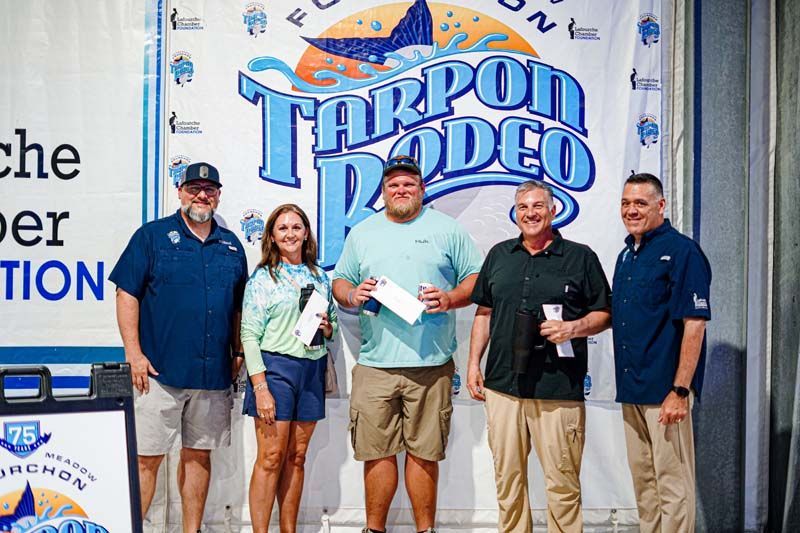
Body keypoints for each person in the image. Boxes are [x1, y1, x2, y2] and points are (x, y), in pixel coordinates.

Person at [332, 155, 482, 533]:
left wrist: (449, 298)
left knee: (424, 453)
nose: (400, 190)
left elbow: (476, 280)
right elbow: (340, 282)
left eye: (408, 184)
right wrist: (353, 295)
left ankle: (425, 529)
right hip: (375, 363)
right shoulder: (362, 232)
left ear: (421, 189)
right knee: (376, 453)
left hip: (431, 365)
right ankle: (374, 529)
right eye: (393, 185)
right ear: (383, 192)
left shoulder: (448, 230)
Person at [466, 180, 611, 533]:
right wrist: (472, 363)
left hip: (558, 389)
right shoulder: (499, 255)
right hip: (503, 387)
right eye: (523, 208)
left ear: (553, 209)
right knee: (508, 483)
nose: (530, 213)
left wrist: (572, 329)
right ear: (515, 214)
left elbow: (605, 314)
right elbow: (484, 312)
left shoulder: (581, 257)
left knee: (562, 485)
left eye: (537, 206)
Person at [109, 162, 247, 530]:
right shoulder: (152, 236)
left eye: (210, 189)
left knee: (198, 457)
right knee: (145, 459)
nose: (202, 195)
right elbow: (126, 293)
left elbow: (237, 308)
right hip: (158, 373)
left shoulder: (232, 246)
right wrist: (133, 354)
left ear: (218, 195)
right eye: (194, 188)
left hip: (211, 375)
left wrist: (237, 352)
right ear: (180, 191)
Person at [612, 173, 711, 532]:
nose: (631, 210)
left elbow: (695, 325)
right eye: (626, 203)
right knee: (645, 486)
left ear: (661, 205)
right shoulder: (626, 255)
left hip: (665, 393)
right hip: (632, 390)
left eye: (640, 202)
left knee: (673, 486)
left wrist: (680, 390)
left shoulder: (683, 251)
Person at [240, 204, 338, 533]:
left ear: (306, 233)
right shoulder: (262, 278)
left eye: (296, 227)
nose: (290, 234)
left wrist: (327, 327)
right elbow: (249, 336)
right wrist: (261, 387)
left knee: (297, 456)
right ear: (271, 236)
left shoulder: (320, 277)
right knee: (271, 456)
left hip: (311, 369)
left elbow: (332, 326)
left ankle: (288, 529)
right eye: (282, 229)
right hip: (275, 369)